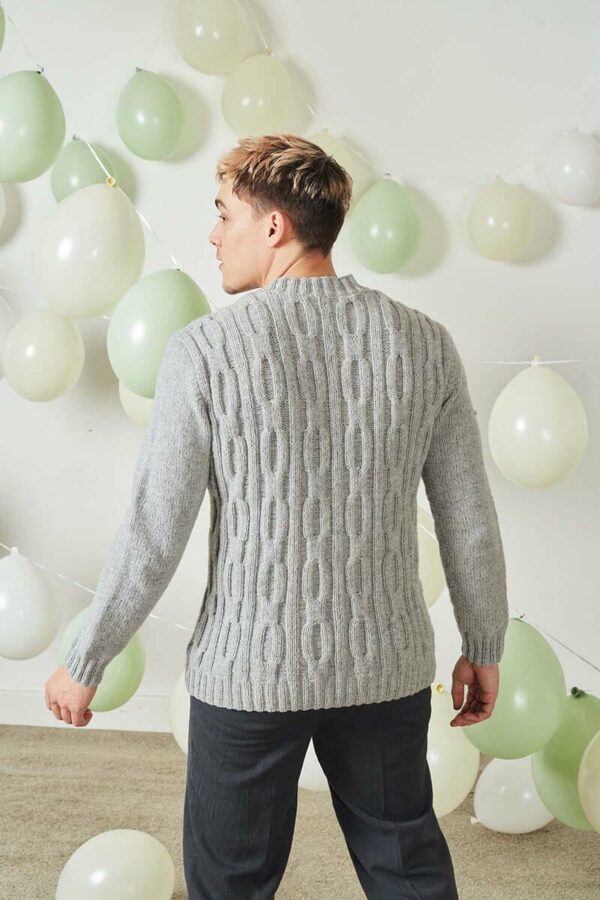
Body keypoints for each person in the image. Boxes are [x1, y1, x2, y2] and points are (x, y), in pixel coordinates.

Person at [46, 133, 509, 899]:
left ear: (274, 227)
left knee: (230, 882)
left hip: (248, 674)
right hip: (384, 667)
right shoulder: (425, 345)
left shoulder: (205, 350)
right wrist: (483, 644)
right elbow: (470, 520)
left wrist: (87, 656)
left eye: (224, 213)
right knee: (407, 871)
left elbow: (156, 528)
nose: (212, 234)